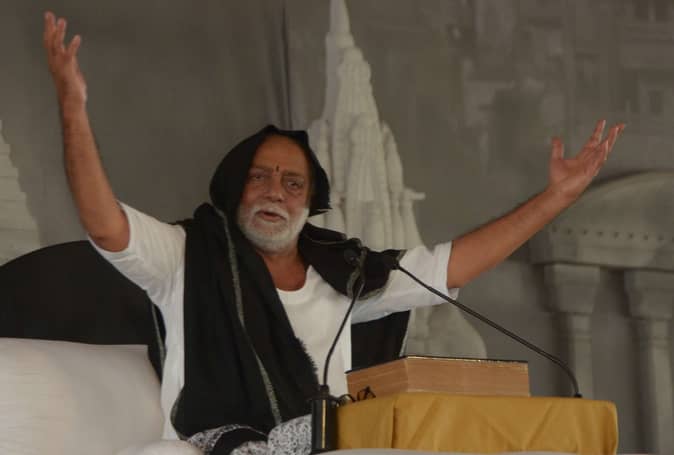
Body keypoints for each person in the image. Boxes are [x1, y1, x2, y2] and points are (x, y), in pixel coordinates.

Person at [42, 10, 623, 455]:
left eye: (293, 183)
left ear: (309, 202)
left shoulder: (345, 274)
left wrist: (556, 198)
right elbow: (105, 223)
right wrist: (72, 110)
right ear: (235, 190)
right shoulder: (187, 257)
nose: (276, 191)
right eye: (260, 177)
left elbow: (451, 266)